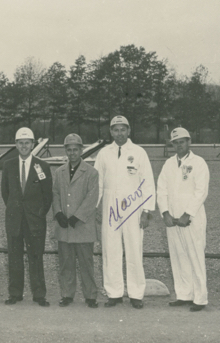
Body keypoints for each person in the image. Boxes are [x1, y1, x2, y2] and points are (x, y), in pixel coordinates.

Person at [93, 115, 155, 309]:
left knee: (134, 249)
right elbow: (98, 183)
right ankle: (114, 292)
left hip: (133, 206)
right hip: (110, 207)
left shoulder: (139, 152)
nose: (119, 133)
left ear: (129, 131)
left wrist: (147, 210)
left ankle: (136, 294)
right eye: (115, 130)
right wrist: (96, 207)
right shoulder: (104, 153)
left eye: (123, 129)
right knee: (110, 250)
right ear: (111, 132)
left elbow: (148, 183)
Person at [157, 127, 210, 312]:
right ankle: (184, 295)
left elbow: (201, 191)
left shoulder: (199, 162)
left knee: (195, 256)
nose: (179, 145)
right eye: (175, 143)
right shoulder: (169, 164)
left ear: (189, 142)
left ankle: (200, 298)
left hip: (192, 219)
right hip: (172, 219)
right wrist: (164, 213)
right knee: (178, 257)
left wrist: (188, 213)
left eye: (182, 141)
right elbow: (161, 189)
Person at [1, 127, 52, 307]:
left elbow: (47, 196)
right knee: (14, 258)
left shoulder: (42, 166)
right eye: (20, 143)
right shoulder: (8, 165)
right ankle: (15, 293)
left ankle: (39, 294)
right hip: (15, 220)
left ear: (32, 144)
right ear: (16, 144)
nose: (24, 146)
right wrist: (16, 210)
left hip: (35, 221)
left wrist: (37, 213)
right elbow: (5, 193)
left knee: (36, 257)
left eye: (27, 143)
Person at [52, 134, 99, 309]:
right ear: (66, 151)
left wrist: (77, 216)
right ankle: (67, 294)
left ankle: (91, 295)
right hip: (65, 226)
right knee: (66, 263)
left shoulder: (91, 172)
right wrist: (58, 213)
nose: (72, 153)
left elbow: (92, 197)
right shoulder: (59, 172)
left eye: (75, 150)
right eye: (69, 150)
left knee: (86, 263)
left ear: (81, 150)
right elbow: (55, 193)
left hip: (82, 225)